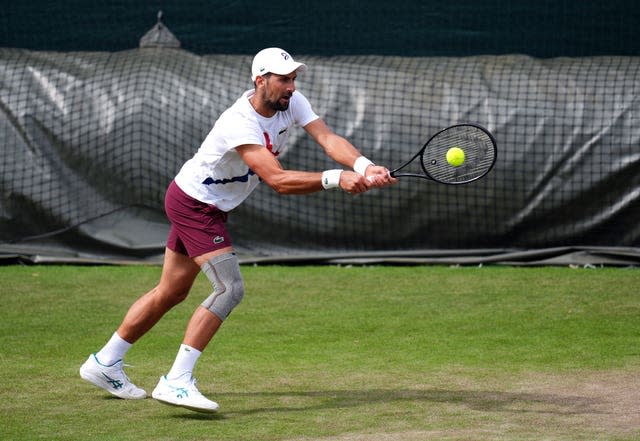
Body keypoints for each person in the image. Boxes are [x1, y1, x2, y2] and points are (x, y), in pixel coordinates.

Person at [79, 47, 397, 413]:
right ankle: (177, 380)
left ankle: (104, 363)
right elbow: (276, 179)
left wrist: (364, 165)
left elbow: (327, 139)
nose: (291, 86)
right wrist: (336, 178)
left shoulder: (290, 102)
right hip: (195, 204)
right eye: (283, 79)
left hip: (204, 203)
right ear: (260, 80)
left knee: (171, 292)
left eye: (294, 78)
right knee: (229, 288)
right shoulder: (239, 121)